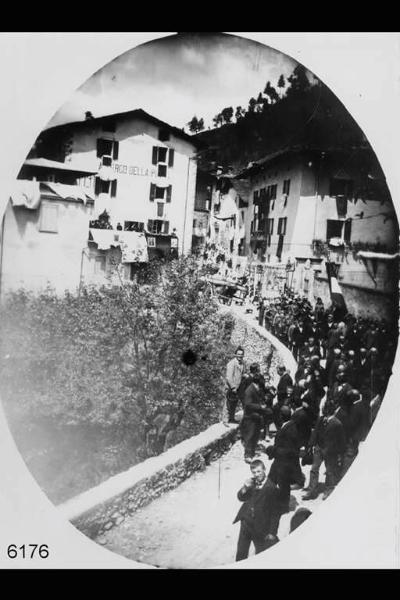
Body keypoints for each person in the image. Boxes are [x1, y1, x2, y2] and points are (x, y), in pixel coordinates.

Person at [233, 459, 281, 561]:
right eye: (254, 472)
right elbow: (241, 498)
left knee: (260, 553)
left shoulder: (271, 488)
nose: (256, 474)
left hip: (260, 526)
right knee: (241, 552)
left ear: (264, 470)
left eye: (259, 471)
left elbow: (275, 513)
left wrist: (272, 532)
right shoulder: (251, 482)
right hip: (246, 523)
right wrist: (245, 488)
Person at [240, 371, 270, 462]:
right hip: (250, 417)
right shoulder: (249, 390)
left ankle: (252, 453)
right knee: (249, 435)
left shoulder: (256, 388)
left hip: (256, 416)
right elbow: (248, 404)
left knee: (255, 435)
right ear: (257, 382)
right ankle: (247, 455)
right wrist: (260, 406)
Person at [225, 346, 246, 424]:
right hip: (231, 387)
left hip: (239, 387)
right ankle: (225, 422)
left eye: (241, 354)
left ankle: (232, 419)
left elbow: (242, 373)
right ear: (235, 355)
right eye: (238, 354)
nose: (240, 356)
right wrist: (233, 387)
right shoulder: (231, 364)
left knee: (235, 403)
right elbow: (228, 377)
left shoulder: (243, 363)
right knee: (228, 405)